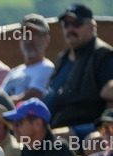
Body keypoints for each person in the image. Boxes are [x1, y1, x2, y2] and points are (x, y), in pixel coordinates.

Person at [43, 4, 113, 134]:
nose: (70, 28)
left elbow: (109, 90)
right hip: (54, 125)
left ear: (92, 27)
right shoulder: (62, 58)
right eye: (66, 24)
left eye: (77, 23)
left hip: (85, 126)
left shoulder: (102, 55)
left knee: (46, 141)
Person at [4, 99, 75, 156]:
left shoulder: (60, 150)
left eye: (18, 123)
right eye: (13, 123)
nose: (13, 128)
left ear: (38, 124)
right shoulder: (26, 150)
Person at [1, 13, 55, 103]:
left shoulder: (47, 68)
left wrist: (1, 104)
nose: (29, 40)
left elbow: (30, 98)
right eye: (26, 34)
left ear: (47, 39)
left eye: (36, 35)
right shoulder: (14, 71)